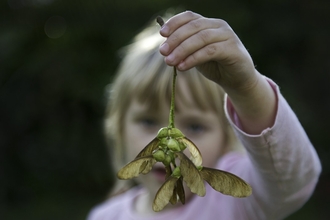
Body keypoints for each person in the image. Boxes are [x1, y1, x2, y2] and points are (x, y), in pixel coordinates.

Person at [87, 11, 321, 220]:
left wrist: (247, 89)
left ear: (226, 135)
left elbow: (290, 180)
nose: (172, 147)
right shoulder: (105, 216)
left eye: (196, 126)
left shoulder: (233, 200)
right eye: (148, 121)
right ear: (119, 127)